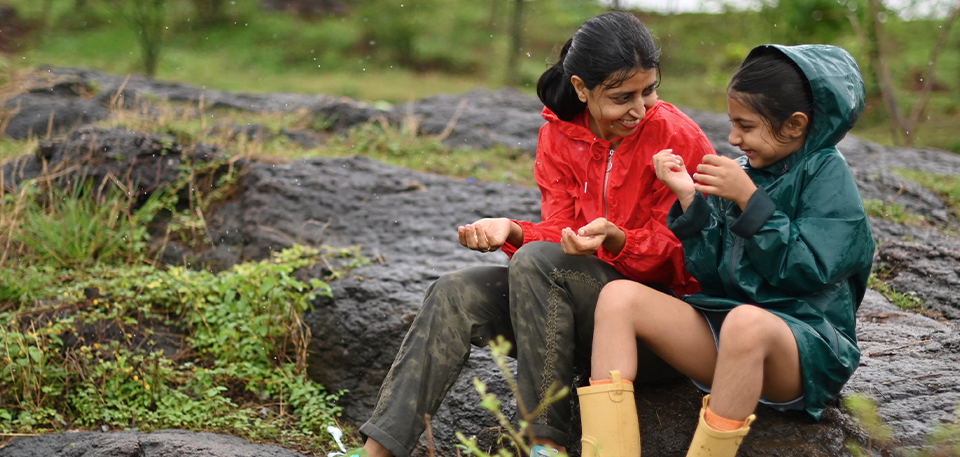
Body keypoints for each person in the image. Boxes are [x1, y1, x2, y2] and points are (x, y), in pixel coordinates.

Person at [359, 11, 716, 457]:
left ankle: (545, 445)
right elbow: (557, 231)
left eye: (649, 90)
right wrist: (511, 229)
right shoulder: (557, 135)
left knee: (535, 262)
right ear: (582, 88)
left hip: (650, 332)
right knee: (454, 291)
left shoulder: (675, 135)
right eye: (623, 96)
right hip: (576, 313)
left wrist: (616, 239)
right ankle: (377, 451)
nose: (640, 108)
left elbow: (697, 256)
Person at [579, 44, 875, 457]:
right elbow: (711, 276)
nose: (734, 138)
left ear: (794, 125)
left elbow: (806, 271)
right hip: (728, 338)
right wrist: (689, 203)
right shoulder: (744, 171)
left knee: (746, 324)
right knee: (619, 297)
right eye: (733, 123)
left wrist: (751, 202)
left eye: (746, 126)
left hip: (804, 351)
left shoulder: (829, 178)